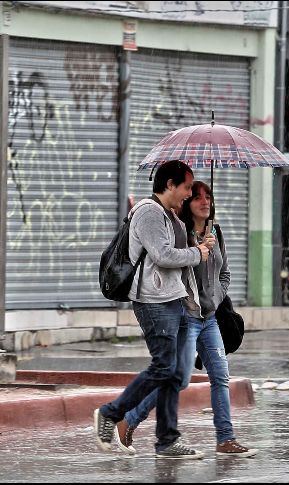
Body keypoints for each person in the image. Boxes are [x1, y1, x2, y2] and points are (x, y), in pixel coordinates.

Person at [115, 181, 256, 458]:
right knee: (177, 379)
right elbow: (171, 268)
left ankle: (225, 439)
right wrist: (197, 251)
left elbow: (224, 273)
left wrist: (215, 297)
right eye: (198, 197)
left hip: (210, 318)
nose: (204, 202)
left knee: (220, 377)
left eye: (208, 197)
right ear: (188, 203)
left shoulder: (216, 231)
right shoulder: (179, 233)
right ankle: (129, 420)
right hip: (187, 317)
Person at [93, 161, 215, 460]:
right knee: (163, 367)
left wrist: (199, 244)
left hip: (175, 299)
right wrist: (195, 254)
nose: (189, 194)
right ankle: (110, 413)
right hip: (153, 301)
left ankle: (167, 441)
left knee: (173, 374)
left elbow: (171, 252)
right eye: (187, 187)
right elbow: (162, 255)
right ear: (170, 184)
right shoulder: (149, 211)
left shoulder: (169, 213)